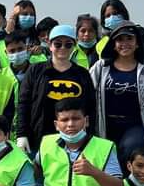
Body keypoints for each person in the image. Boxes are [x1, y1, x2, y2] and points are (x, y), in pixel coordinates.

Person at [88, 22, 144, 165]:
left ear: (137, 43)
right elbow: (87, 88)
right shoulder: (101, 67)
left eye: (129, 39)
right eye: (120, 39)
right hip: (105, 124)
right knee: (107, 158)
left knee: (131, 151)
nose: (125, 43)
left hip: (135, 124)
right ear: (113, 44)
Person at [16, 25, 96, 154]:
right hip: (38, 136)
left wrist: (90, 135)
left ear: (74, 46)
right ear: (50, 45)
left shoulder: (82, 74)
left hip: (74, 138)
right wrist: (21, 134)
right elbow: (24, 104)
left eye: (68, 44)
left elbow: (91, 108)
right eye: (58, 44)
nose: (62, 48)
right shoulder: (36, 70)